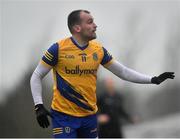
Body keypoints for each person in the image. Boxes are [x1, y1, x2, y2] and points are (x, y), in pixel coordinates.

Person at [30, 9, 175, 138]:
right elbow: (36, 76)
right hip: (64, 117)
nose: (95, 25)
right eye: (90, 22)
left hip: (90, 117)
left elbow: (123, 71)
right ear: (77, 27)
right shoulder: (58, 49)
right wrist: (39, 106)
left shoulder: (98, 50)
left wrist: (153, 79)